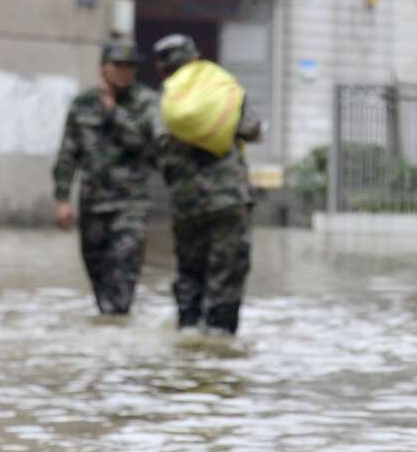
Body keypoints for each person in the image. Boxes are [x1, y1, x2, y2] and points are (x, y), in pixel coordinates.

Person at [151, 34, 261, 335]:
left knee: (189, 272)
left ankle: (187, 333)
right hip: (229, 200)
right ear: (196, 59)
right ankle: (219, 343)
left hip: (186, 204)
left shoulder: (164, 100)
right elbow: (252, 128)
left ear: (162, 68)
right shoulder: (221, 88)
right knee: (227, 272)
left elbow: (154, 147)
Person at [52, 41, 161, 315]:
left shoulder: (146, 102)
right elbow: (68, 153)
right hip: (93, 205)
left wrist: (114, 113)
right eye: (119, 66)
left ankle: (118, 337)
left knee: (122, 280)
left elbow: (150, 146)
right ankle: (107, 337)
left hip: (130, 206)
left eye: (131, 67)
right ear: (103, 68)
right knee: (99, 280)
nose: (125, 72)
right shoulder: (83, 104)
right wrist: (63, 199)